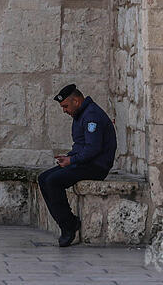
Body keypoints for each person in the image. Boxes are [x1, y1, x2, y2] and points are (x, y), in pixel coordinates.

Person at [37, 84, 117, 247]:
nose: (64, 110)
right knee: (43, 178)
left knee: (54, 181)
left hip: (96, 166)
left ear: (77, 101)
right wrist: (69, 157)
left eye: (65, 106)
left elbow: (93, 148)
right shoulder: (80, 115)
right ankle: (67, 222)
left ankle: (69, 226)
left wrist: (72, 161)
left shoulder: (91, 116)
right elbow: (81, 145)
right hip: (84, 162)